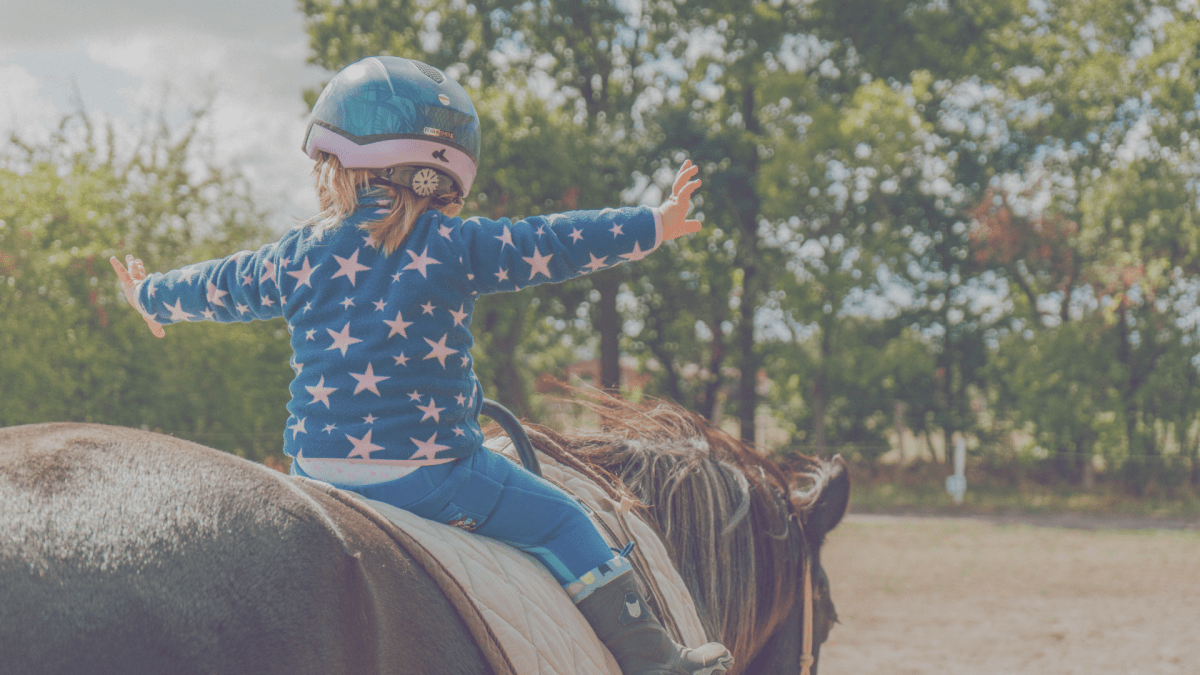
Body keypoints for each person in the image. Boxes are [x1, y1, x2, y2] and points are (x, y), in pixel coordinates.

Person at [111, 55, 732, 675]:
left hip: (314, 474)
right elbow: (552, 241)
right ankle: (656, 663)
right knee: (564, 521)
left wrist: (150, 295)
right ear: (443, 178)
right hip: (430, 476)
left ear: (337, 166)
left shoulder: (295, 256)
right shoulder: (456, 246)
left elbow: (222, 283)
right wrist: (654, 224)